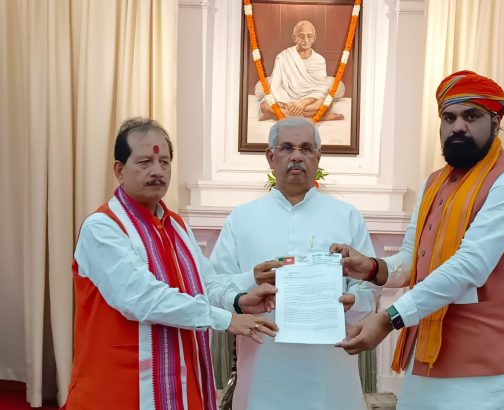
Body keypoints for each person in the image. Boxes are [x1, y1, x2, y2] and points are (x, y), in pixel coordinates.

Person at [331, 70, 504, 409]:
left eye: (471, 116)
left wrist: (389, 318)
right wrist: (372, 267)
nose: (457, 126)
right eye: (449, 118)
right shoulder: (433, 183)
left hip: (495, 374)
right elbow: (412, 259)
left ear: (496, 122)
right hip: (429, 364)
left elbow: (469, 266)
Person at [65, 118, 278, 410]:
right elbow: (143, 298)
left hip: (177, 377)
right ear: (119, 170)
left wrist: (241, 296)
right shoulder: (102, 227)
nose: (157, 171)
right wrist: (226, 320)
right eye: (145, 162)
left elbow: (205, 283)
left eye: (164, 162)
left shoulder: (175, 225)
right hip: (119, 384)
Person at [209, 117, 380, 410]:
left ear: (318, 157)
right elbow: (213, 287)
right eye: (287, 148)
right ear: (270, 157)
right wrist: (251, 281)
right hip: (263, 367)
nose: (297, 156)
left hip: (330, 370)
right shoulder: (242, 218)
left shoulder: (347, 216)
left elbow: (370, 286)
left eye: (306, 148)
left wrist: (354, 301)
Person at [259, 20, 344, 121]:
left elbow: (321, 89)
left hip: (309, 101)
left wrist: (302, 104)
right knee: (265, 106)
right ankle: (319, 117)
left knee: (328, 102)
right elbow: (275, 86)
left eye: (309, 36)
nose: (306, 40)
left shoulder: (319, 60)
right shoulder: (283, 57)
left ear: (314, 38)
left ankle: (280, 115)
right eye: (301, 36)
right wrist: (289, 104)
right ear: (294, 37)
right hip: (287, 100)